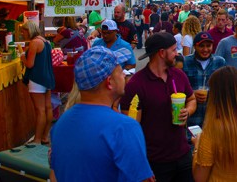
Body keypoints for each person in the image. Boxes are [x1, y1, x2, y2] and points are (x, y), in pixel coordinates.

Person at [50, 47, 155, 182]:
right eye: (120, 71)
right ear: (109, 82)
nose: (124, 74)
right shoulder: (124, 127)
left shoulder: (61, 122)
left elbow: (54, 175)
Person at [120, 32, 197, 182]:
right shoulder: (136, 84)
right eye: (174, 50)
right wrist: (140, 167)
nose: (177, 53)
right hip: (155, 162)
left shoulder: (178, 75)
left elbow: (192, 99)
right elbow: (130, 130)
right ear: (162, 53)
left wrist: (187, 111)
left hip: (183, 155)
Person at [18, 21, 55, 145]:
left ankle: (37, 139)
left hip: (37, 79)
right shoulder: (46, 42)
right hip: (47, 77)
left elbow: (30, 64)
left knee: (40, 110)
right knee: (47, 108)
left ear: (29, 30)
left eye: (23, 31)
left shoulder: (34, 43)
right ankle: (45, 136)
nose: (22, 34)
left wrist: (22, 56)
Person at [182, 32, 226, 128]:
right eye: (201, 46)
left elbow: (225, 89)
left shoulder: (220, 62)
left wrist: (210, 94)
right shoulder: (185, 62)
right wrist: (192, 94)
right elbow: (178, 89)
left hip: (213, 120)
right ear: (195, 46)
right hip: (191, 121)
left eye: (208, 46)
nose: (205, 49)